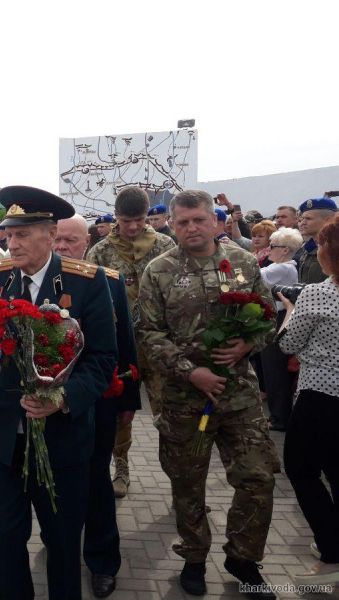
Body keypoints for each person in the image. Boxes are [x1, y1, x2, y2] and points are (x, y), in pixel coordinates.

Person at [0, 186, 117, 600]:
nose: (10, 243)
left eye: (22, 234)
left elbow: (104, 358)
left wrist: (62, 399)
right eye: (8, 235)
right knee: (7, 540)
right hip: (3, 436)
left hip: (62, 438)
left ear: (51, 236)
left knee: (63, 541)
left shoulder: (86, 282)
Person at [136, 189, 277, 598]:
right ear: (173, 225)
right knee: (187, 483)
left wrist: (249, 345)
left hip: (239, 396)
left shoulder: (244, 263)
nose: (191, 228)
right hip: (185, 399)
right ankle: (194, 556)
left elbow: (268, 319)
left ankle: (244, 558)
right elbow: (148, 332)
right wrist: (190, 371)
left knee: (258, 477)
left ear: (215, 221)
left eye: (199, 220)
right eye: (183, 222)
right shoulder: (158, 271)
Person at [52, 215, 139, 598]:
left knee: (95, 480)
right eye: (57, 240)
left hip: (98, 400)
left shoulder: (107, 279)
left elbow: (123, 343)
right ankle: (59, 546)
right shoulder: (31, 280)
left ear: (86, 242)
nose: (62, 248)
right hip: (48, 403)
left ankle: (102, 559)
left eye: (70, 241)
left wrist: (128, 400)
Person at [86, 187, 176, 498]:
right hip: (119, 347)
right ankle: (120, 467)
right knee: (118, 410)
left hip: (159, 346)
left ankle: (180, 481)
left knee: (169, 415)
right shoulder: (100, 252)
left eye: (139, 220)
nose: (134, 227)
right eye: (126, 221)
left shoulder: (165, 245)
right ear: (116, 217)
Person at [277, 214, 339, 586]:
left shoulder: (320, 294)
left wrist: (289, 312)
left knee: (301, 468)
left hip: (321, 397)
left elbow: (288, 343)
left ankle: (332, 549)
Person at [259, 227, 303, 432]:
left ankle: (279, 417)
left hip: (280, 319)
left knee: (275, 370)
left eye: (273, 246)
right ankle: (278, 415)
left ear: (285, 250)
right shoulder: (284, 267)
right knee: (272, 369)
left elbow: (255, 275)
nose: (269, 249)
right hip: (278, 317)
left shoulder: (284, 268)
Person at [294, 198, 337, 284]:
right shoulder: (306, 249)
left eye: (308, 219)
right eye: (302, 219)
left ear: (327, 221)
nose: (302, 223)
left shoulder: (334, 249)